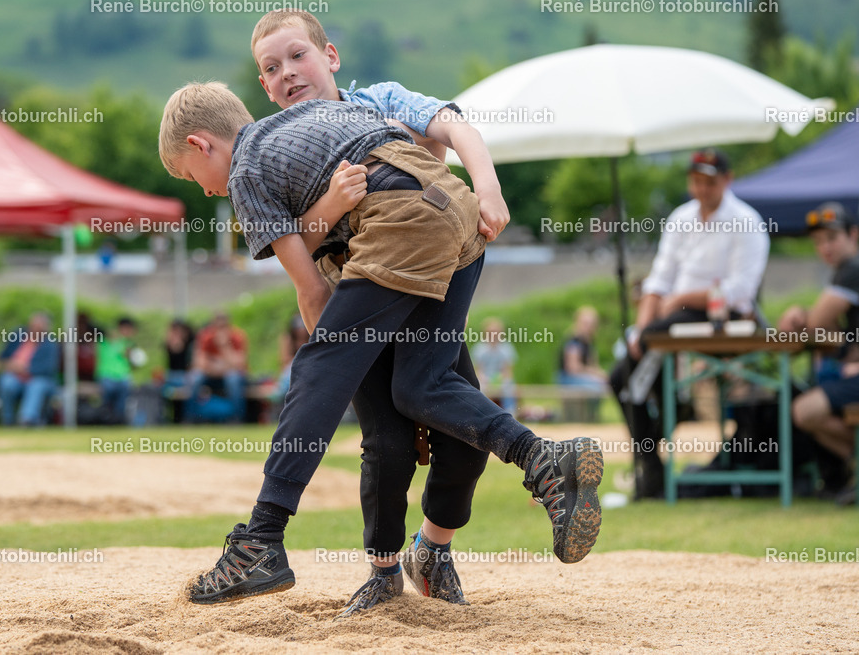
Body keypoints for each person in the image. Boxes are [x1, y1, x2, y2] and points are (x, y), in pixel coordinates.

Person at [158, 81, 603, 606]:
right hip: (457, 213)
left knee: (317, 368)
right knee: (424, 385)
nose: (206, 190)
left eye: (193, 177)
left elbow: (311, 288)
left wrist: (338, 360)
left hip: (403, 221)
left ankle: (260, 539)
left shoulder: (246, 169)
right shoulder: (321, 115)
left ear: (200, 144)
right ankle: (545, 459)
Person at [250, 9, 509, 614]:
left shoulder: (379, 100)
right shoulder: (275, 147)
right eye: (270, 68)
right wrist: (333, 201)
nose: (287, 73)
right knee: (387, 446)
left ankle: (434, 549)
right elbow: (290, 247)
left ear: (330, 56)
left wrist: (487, 186)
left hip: (424, 291)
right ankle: (382, 569)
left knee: (462, 439)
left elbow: (456, 126)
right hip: (356, 301)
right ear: (263, 87)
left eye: (297, 56)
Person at [608, 149, 769, 499]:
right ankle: (659, 445)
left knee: (631, 377)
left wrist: (679, 301)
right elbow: (658, 280)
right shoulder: (681, 218)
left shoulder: (747, 221)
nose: (702, 188)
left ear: (728, 180)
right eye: (697, 180)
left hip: (725, 317)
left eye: (710, 181)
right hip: (674, 316)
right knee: (621, 376)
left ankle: (652, 463)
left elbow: (739, 290)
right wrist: (640, 329)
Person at [778, 202, 859, 504]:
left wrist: (800, 313)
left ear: (854, 235)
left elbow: (814, 324)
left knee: (804, 410)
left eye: (832, 238)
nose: (825, 247)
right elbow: (833, 336)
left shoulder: (852, 269)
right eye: (818, 242)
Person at [0, 312, 60, 427]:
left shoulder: (50, 344)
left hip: (39, 379)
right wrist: (3, 364)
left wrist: (22, 368)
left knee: (35, 385)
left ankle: (27, 419)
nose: (35, 330)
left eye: (39, 328)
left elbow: (47, 369)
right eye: (33, 326)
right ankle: (7, 421)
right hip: (15, 377)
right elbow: (3, 357)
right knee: (7, 382)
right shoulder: (18, 336)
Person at [186, 312, 248, 424]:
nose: (220, 331)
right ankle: (190, 417)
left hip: (228, 376)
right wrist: (220, 366)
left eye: (223, 327)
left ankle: (237, 418)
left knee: (233, 379)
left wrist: (224, 346)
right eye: (218, 327)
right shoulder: (206, 337)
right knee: (195, 378)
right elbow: (199, 363)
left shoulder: (237, 337)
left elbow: (240, 364)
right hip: (211, 375)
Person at [471, 317, 518, 417]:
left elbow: (508, 371)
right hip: (485, 380)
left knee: (508, 387)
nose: (494, 334)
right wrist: (484, 379)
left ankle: (510, 413)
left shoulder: (507, 348)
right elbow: (478, 370)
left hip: (501, 379)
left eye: (496, 332)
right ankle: (482, 414)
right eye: (491, 332)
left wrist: (500, 379)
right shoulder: (479, 348)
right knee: (479, 388)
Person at [96, 317, 137, 423]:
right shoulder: (106, 340)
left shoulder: (128, 344)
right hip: (107, 376)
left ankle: (118, 420)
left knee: (122, 400)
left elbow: (134, 363)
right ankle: (105, 418)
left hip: (122, 378)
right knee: (107, 398)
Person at [557, 306, 609, 390]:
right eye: (586, 324)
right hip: (569, 379)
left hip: (581, 377)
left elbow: (593, 365)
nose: (589, 327)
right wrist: (593, 374)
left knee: (605, 382)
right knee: (596, 386)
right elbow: (573, 368)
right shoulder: (574, 342)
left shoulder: (589, 343)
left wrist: (600, 374)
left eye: (592, 324)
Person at [162, 319, 195, 423]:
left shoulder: (191, 343)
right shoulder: (167, 343)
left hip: (184, 376)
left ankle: (187, 418)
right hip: (171, 376)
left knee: (189, 388)